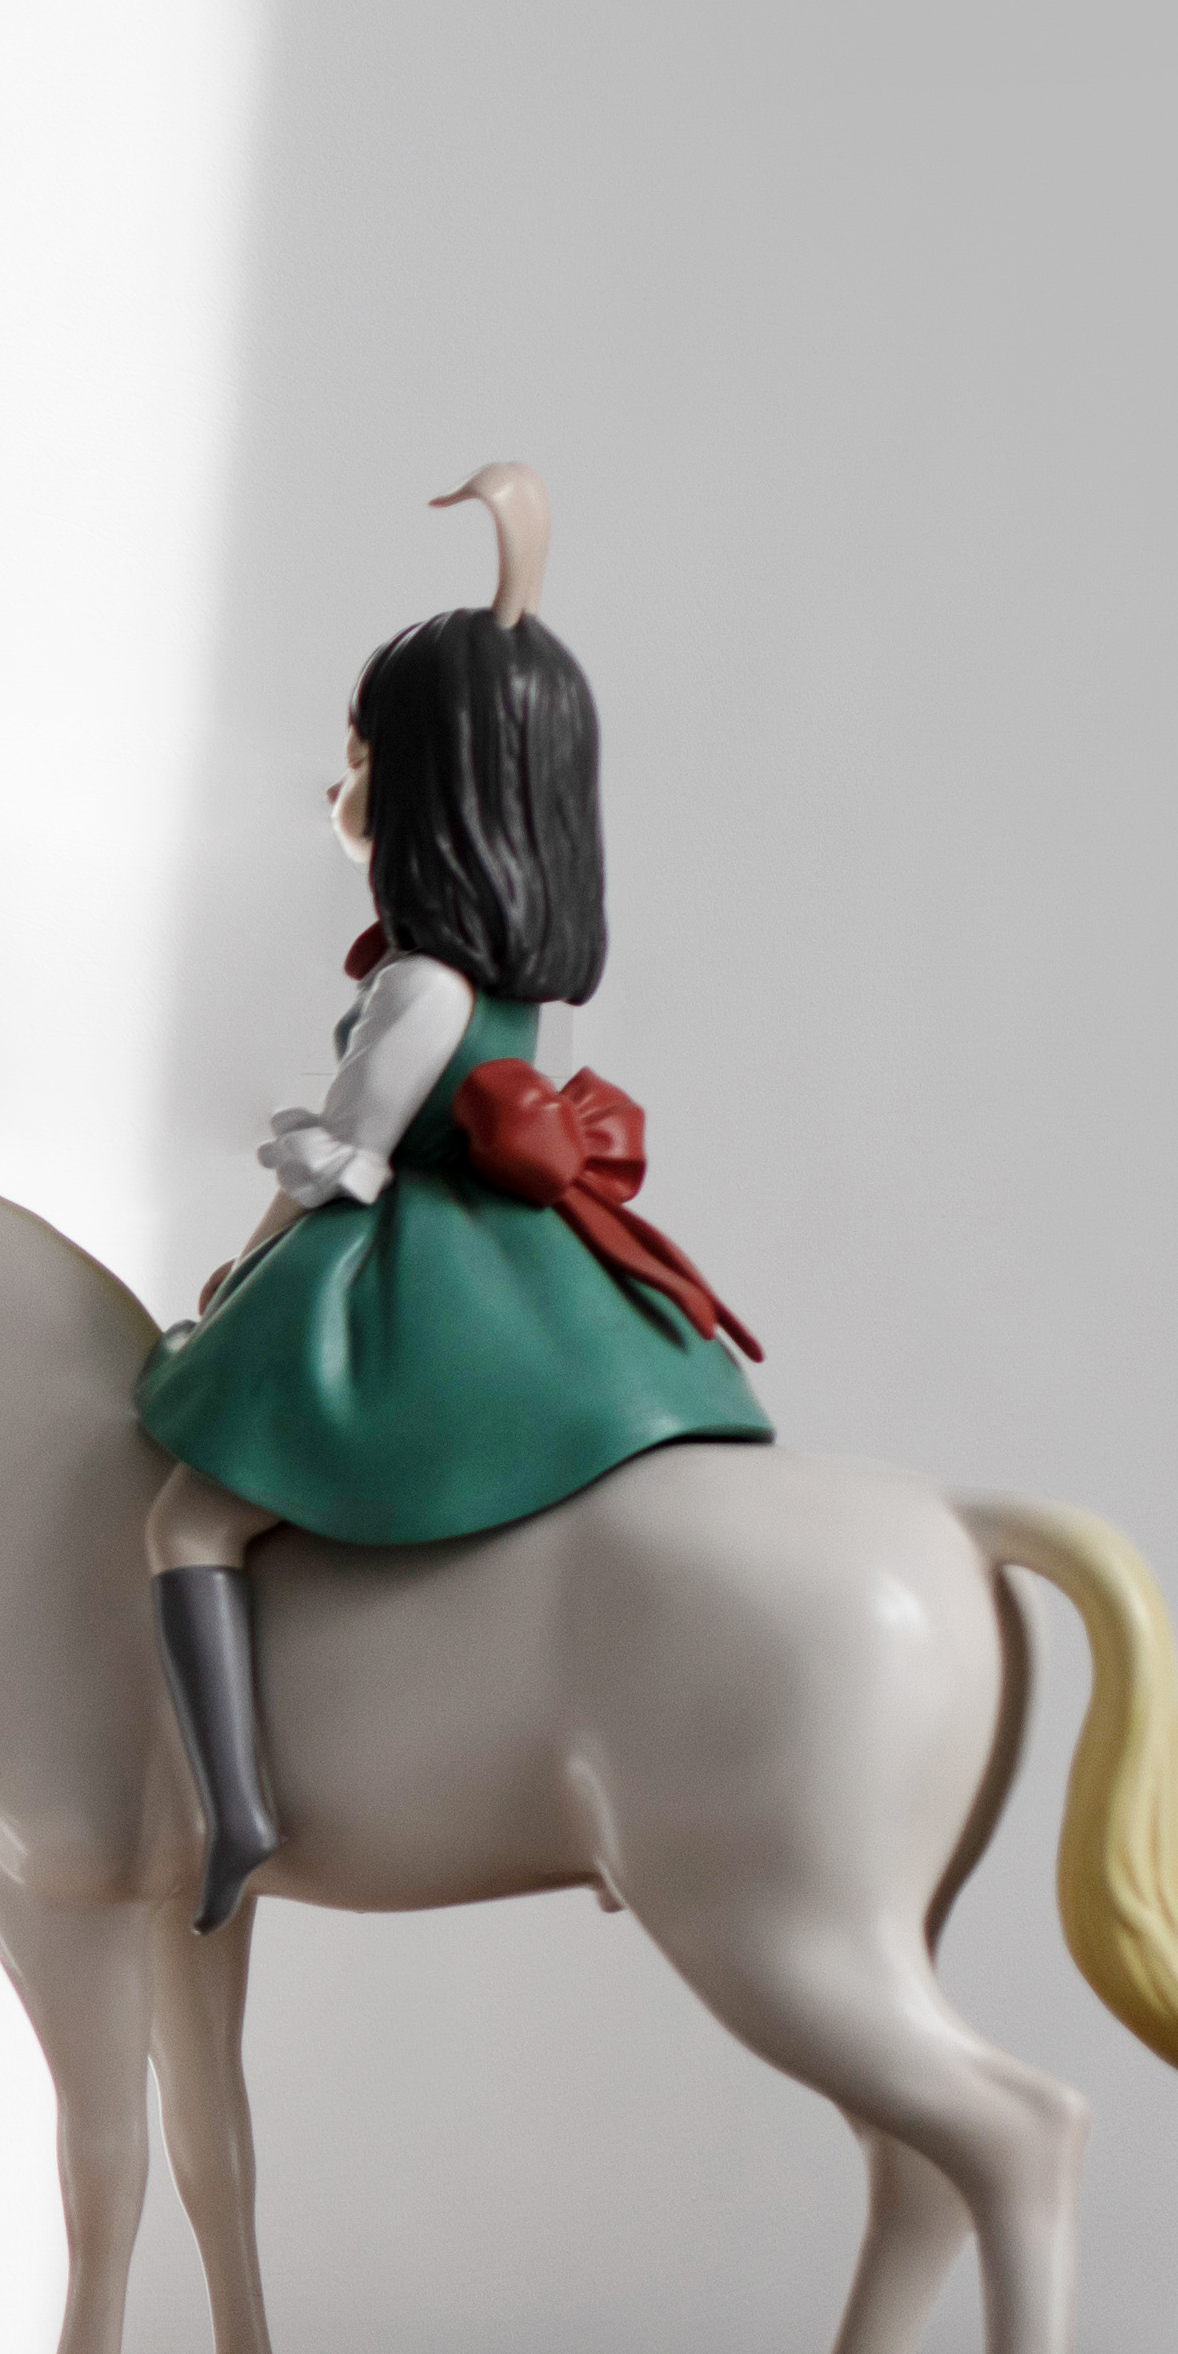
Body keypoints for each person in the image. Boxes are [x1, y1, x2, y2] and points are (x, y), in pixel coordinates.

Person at [136, 467, 772, 1929]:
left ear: (428, 793)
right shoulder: (521, 991)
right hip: (525, 1263)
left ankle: (235, 1806)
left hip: (405, 1273)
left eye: (361, 757)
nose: (337, 786)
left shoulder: (418, 984)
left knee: (185, 1523)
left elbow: (343, 1161)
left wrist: (231, 1290)